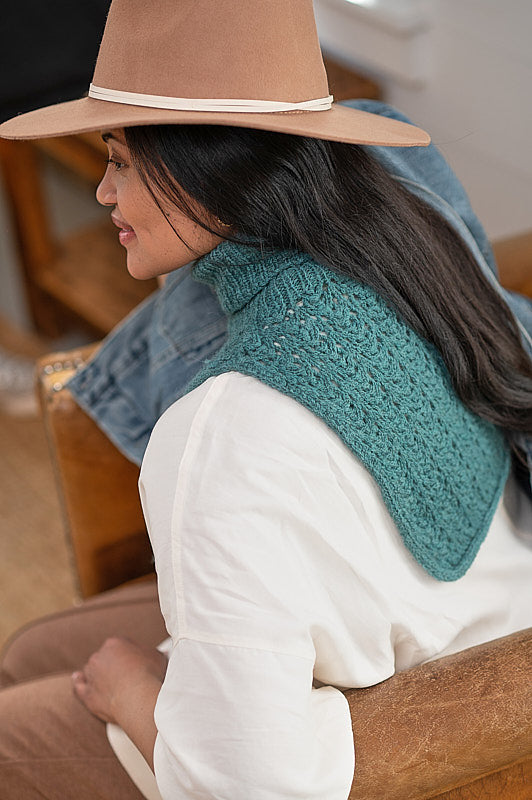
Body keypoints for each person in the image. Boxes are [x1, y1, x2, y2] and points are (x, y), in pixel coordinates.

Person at [1, 1, 531, 798]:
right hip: (494, 622)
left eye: (121, 160)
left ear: (207, 167)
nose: (104, 192)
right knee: (29, 654)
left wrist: (131, 690)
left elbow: (251, 785)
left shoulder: (221, 433)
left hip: (403, 718)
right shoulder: (414, 242)